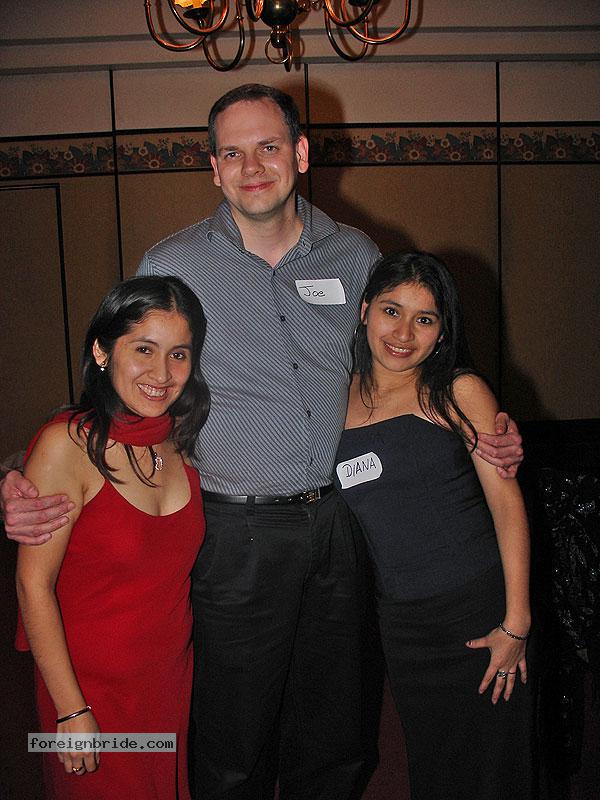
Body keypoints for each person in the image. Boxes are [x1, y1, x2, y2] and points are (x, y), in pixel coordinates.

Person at [3, 85, 524, 800]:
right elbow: (126, 375)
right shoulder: (175, 263)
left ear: (301, 154)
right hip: (236, 530)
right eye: (232, 152)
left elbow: (399, 366)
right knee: (234, 735)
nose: (252, 167)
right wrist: (23, 468)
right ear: (213, 167)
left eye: (269, 147)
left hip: (342, 520)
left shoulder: (354, 255)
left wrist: (481, 427)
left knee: (338, 728)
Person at [334, 252, 534, 800]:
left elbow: (507, 506)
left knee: (493, 770)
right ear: (364, 311)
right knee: (435, 766)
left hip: (478, 611)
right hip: (403, 624)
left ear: (443, 330)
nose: (403, 333)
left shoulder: (456, 390)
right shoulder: (334, 398)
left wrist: (517, 624)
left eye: (424, 319)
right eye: (391, 311)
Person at [15, 276, 210, 799]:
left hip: (167, 679)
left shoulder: (177, 441)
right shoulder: (66, 445)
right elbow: (33, 586)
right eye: (143, 349)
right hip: (89, 689)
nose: (162, 374)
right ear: (102, 351)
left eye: (178, 354)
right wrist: (70, 709)